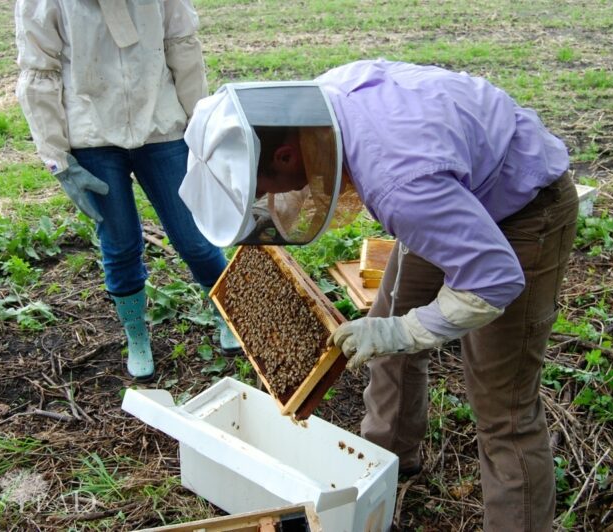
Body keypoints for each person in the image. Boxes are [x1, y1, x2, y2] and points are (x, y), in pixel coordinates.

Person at [180, 59, 579, 531]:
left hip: (525, 209)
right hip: (451, 185)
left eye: (264, 189)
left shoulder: (400, 184)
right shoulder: (321, 105)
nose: (271, 203)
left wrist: (404, 330)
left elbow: (494, 280)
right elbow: (426, 190)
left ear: (286, 154)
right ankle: (384, 463)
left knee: (503, 407)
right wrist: (395, 329)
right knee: (389, 343)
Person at [14, 0, 240, 381]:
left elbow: (182, 45)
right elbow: (39, 71)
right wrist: (58, 159)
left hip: (161, 123)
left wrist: (201, 127)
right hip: (92, 134)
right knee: (119, 245)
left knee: (196, 238)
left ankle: (228, 315)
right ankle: (137, 336)